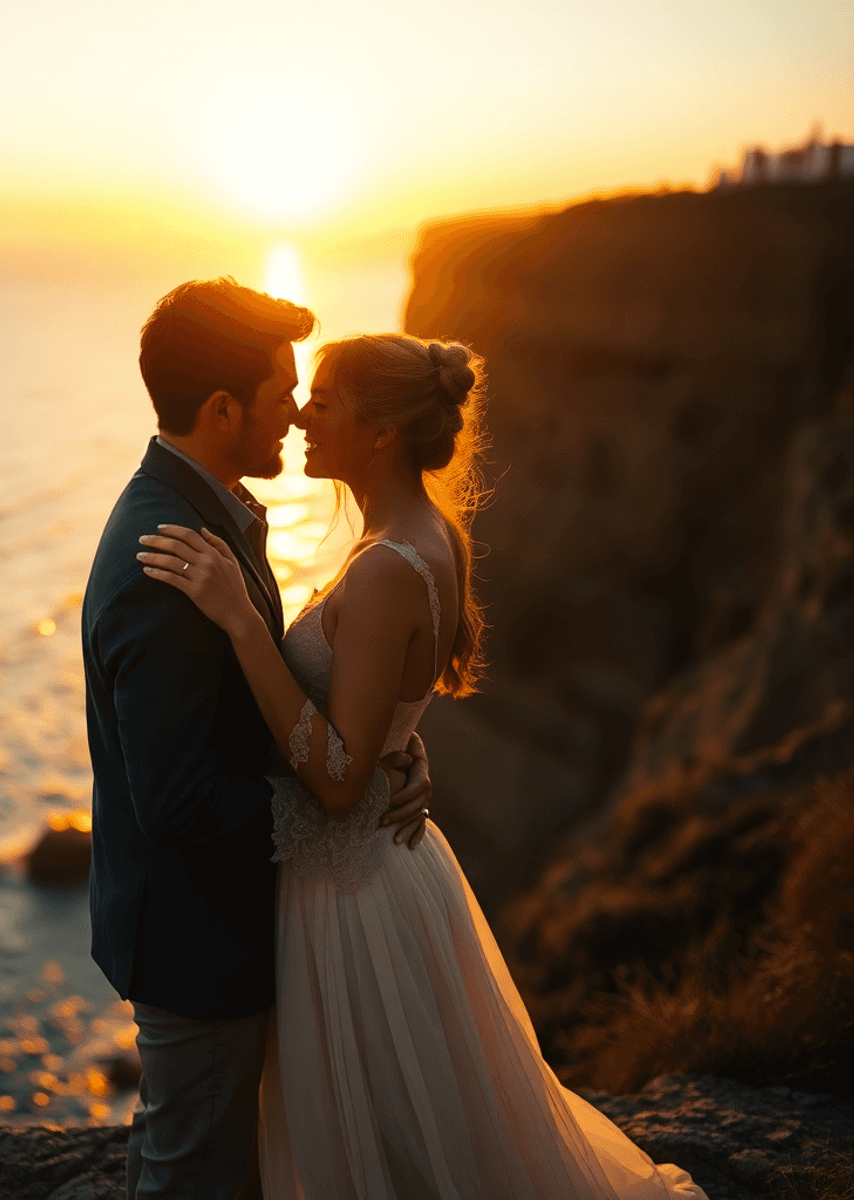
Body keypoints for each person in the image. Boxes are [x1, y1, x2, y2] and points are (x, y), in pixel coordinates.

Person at [139, 332, 709, 1198]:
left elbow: (333, 781)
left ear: (379, 434)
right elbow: (384, 706)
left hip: (351, 903)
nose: (300, 415)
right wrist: (403, 748)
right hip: (379, 874)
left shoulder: (384, 570)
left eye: (323, 402)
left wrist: (245, 629)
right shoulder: (422, 532)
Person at [81, 280, 434, 1200]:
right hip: (199, 946)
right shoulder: (165, 561)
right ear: (223, 407)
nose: (296, 410)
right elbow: (179, 801)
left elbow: (253, 714)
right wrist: (339, 798)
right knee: (192, 1176)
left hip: (236, 926)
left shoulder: (214, 515)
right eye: (282, 394)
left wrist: (378, 747)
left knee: (215, 1159)